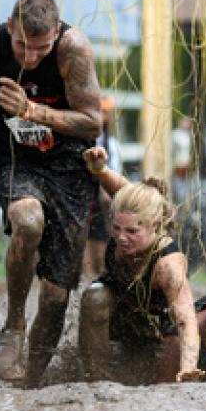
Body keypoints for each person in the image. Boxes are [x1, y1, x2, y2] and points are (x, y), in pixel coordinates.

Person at [0, 0, 103, 385]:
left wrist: (33, 111)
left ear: (55, 35)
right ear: (9, 28)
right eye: (21, 45)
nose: (30, 57)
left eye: (41, 48)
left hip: (68, 166)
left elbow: (91, 123)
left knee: (55, 296)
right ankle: (13, 324)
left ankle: (29, 383)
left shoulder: (74, 51)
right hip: (15, 159)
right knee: (29, 222)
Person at [78, 146, 203, 384]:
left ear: (154, 226)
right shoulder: (129, 203)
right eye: (116, 229)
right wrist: (99, 168)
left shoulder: (168, 266)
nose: (122, 238)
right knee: (93, 299)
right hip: (121, 301)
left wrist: (188, 368)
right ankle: (96, 381)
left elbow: (186, 318)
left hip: (156, 321)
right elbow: (118, 186)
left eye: (132, 231)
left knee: (157, 363)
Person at [83, 96, 121, 280]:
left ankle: (98, 277)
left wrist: (108, 190)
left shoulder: (111, 143)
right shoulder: (86, 137)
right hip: (84, 193)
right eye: (103, 112)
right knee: (82, 237)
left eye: (108, 113)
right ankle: (86, 277)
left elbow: (115, 169)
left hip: (101, 196)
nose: (106, 117)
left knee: (100, 236)